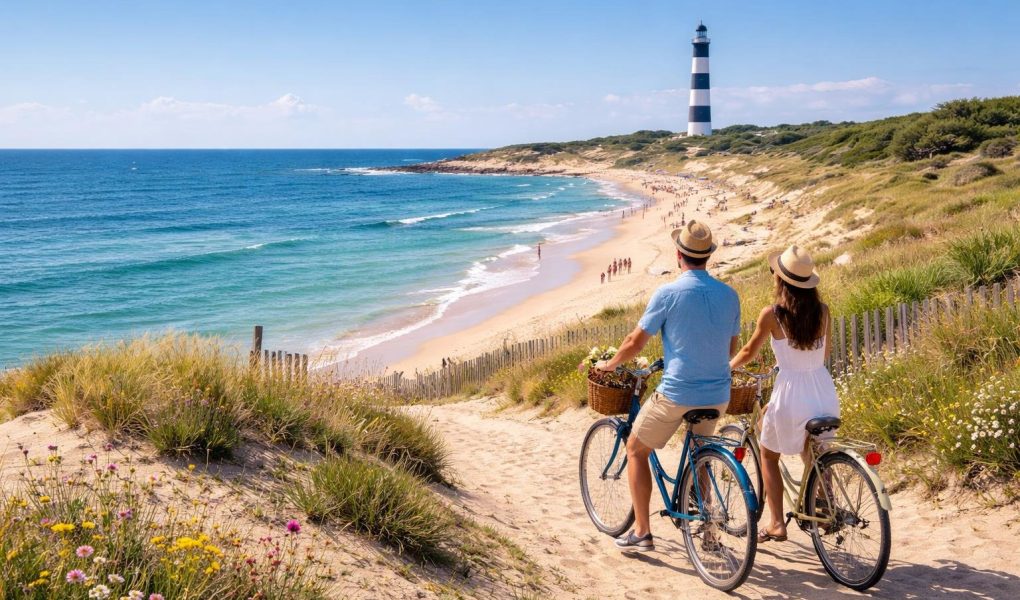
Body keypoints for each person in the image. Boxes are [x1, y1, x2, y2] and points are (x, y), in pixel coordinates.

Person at [588, 221, 741, 552]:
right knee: (702, 453)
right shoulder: (730, 296)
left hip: (678, 392)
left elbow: (635, 341)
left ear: (678, 255)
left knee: (635, 448)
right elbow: (731, 350)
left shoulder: (668, 293)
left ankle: (642, 531)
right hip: (718, 393)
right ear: (708, 257)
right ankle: (709, 530)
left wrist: (610, 363)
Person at [730, 245, 838, 544]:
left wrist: (728, 367)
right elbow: (824, 353)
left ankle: (777, 523)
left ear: (781, 281)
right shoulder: (824, 311)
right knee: (816, 451)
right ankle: (827, 503)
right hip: (821, 389)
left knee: (768, 453)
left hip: (791, 392)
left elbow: (749, 351)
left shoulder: (773, 315)